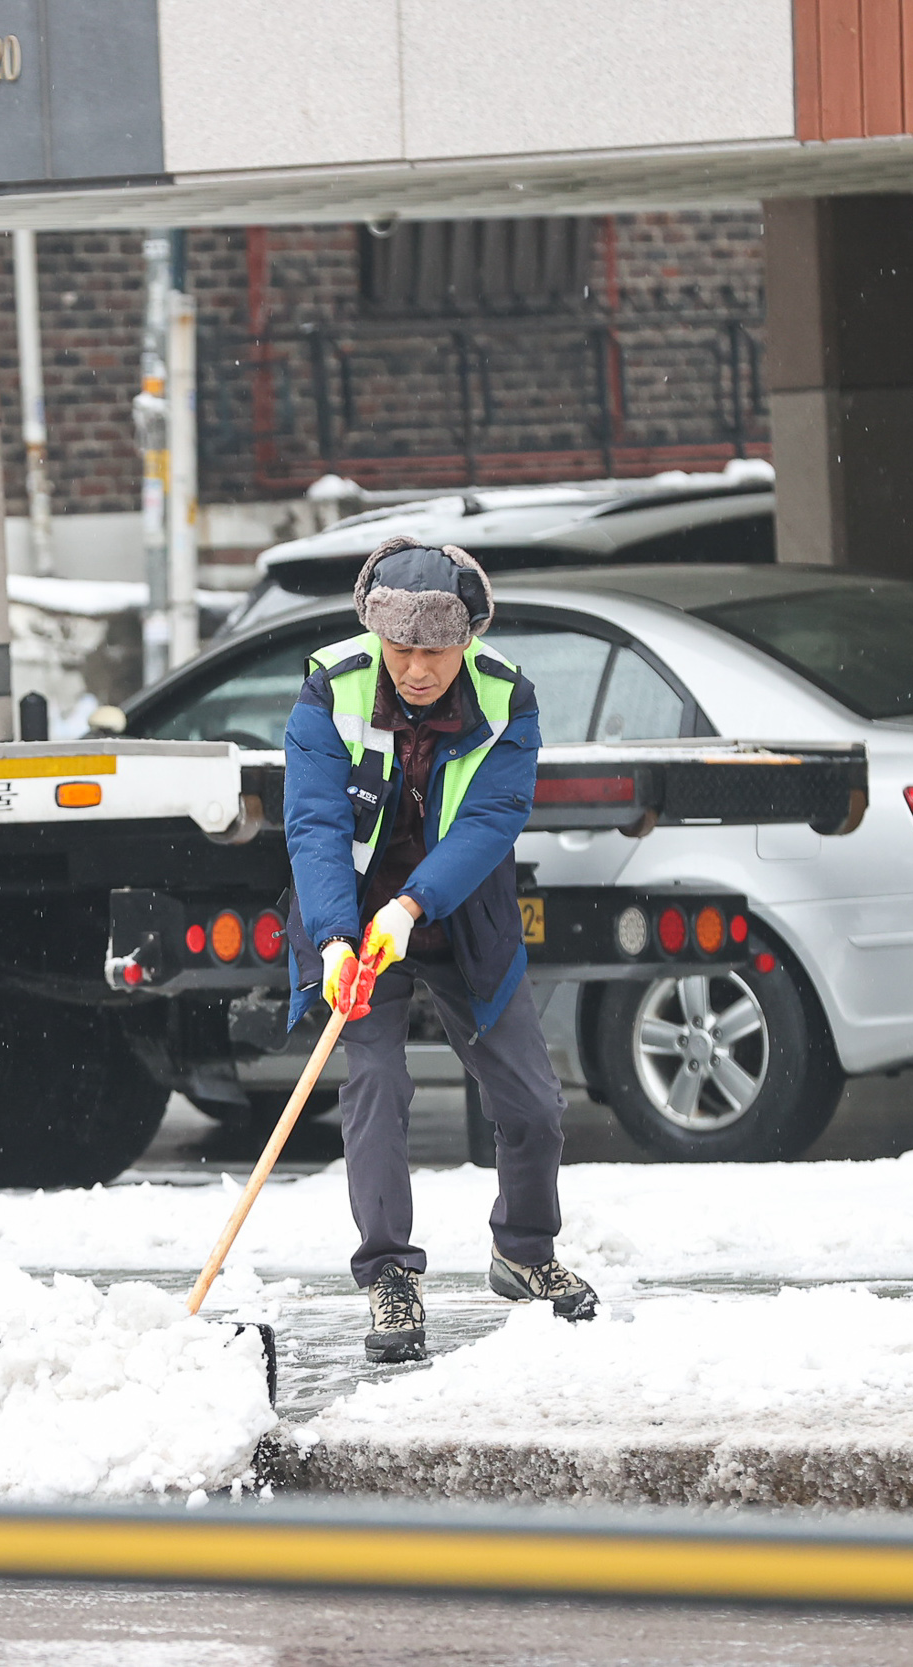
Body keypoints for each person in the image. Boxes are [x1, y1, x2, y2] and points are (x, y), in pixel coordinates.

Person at [283, 535, 598, 1363]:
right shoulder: (330, 689)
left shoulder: (507, 700)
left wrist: (415, 901)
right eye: (402, 648)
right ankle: (389, 1272)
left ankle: (524, 1251)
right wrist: (336, 938)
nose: (417, 668)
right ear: (378, 635)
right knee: (377, 1082)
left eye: (435, 649)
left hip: (462, 915)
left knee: (534, 1101)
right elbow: (314, 822)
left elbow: (495, 818)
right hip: (351, 916)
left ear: (468, 638)